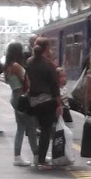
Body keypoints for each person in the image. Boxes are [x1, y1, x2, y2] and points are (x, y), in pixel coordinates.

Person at [25, 39, 62, 170]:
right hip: (47, 101)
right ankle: (41, 161)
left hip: (33, 101)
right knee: (46, 131)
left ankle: (39, 157)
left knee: (39, 129)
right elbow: (54, 85)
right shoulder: (49, 64)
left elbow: (26, 81)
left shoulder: (29, 62)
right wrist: (59, 103)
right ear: (47, 48)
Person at [4, 41, 37, 166]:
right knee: (31, 127)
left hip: (15, 97)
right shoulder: (16, 66)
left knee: (21, 128)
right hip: (22, 99)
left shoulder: (8, 66)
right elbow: (27, 79)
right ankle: (36, 155)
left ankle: (17, 157)